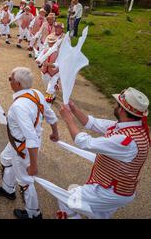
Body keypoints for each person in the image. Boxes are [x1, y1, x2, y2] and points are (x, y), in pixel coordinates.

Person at [58, 87, 149, 219]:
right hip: (118, 189)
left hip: (110, 191)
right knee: (98, 215)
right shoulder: (131, 126)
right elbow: (92, 123)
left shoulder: (126, 140)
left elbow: (85, 142)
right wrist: (74, 109)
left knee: (66, 200)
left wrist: (68, 119)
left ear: (122, 109)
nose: (114, 106)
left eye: (117, 104)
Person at [0, 67, 59, 219]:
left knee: (25, 180)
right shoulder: (37, 93)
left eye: (10, 79)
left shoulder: (18, 106)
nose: (8, 80)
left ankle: (34, 214)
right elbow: (50, 115)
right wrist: (55, 131)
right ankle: (8, 190)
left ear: (19, 84)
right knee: (5, 158)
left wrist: (33, 165)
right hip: (20, 142)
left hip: (24, 147)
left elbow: (31, 138)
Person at [37, 34, 60, 103]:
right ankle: (53, 93)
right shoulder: (45, 50)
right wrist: (38, 61)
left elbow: (58, 65)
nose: (50, 44)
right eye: (49, 42)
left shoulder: (59, 52)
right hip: (44, 71)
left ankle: (49, 98)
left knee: (49, 89)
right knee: (46, 84)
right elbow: (40, 57)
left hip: (54, 72)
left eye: (52, 43)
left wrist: (49, 64)